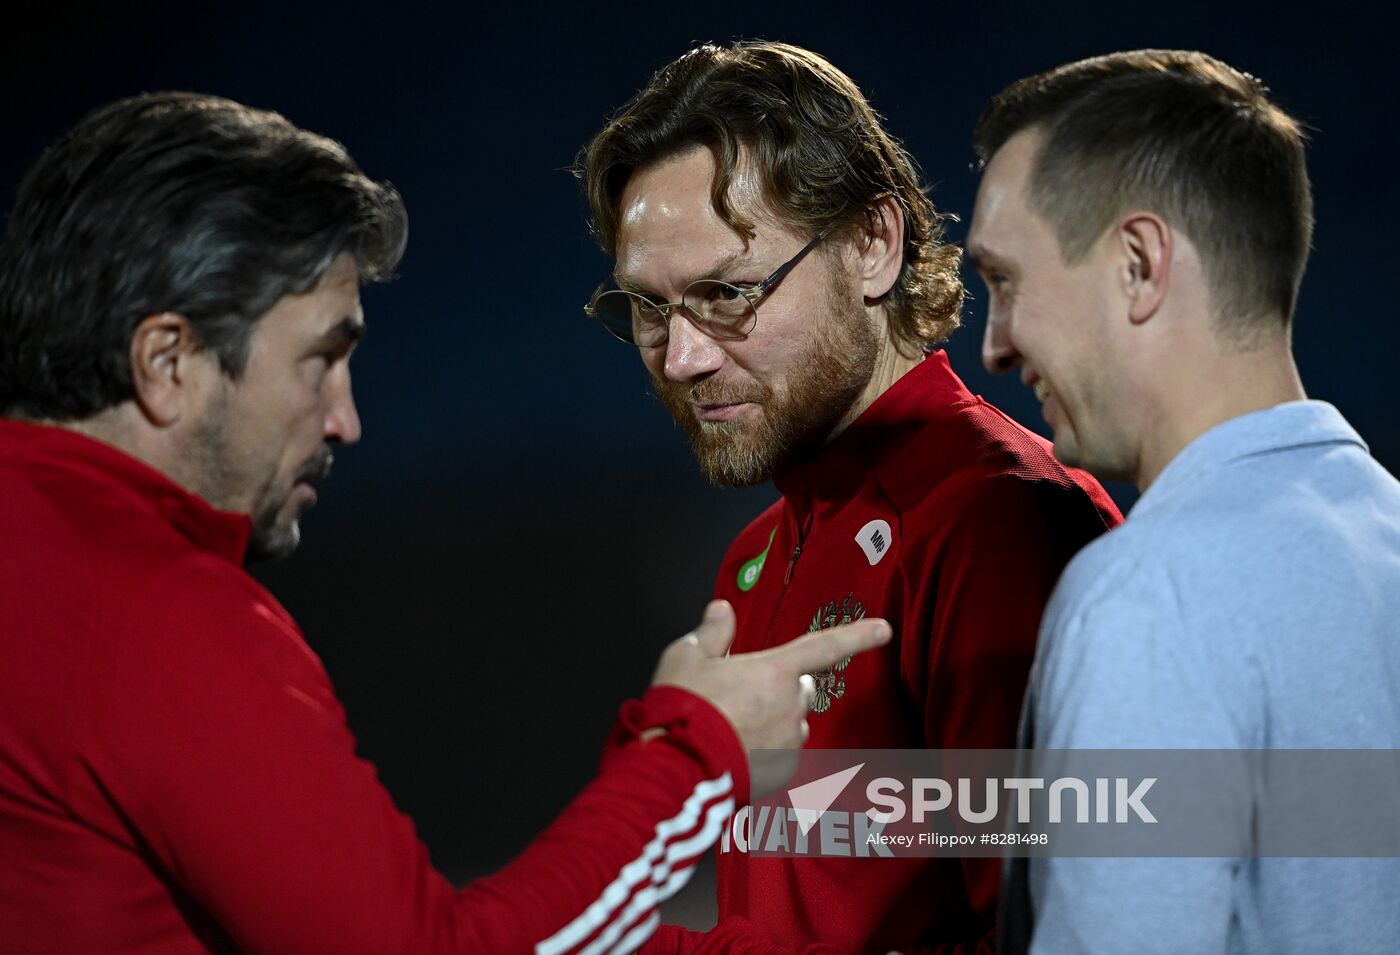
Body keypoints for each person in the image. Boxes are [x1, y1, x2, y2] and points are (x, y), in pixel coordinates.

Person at [0, 91, 893, 955]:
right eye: (322, 357)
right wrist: (698, 757)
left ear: (874, 246)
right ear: (167, 361)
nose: (346, 418)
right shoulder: (151, 614)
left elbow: (1026, 830)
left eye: (728, 291)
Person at [577, 41, 1121, 954]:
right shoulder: (753, 558)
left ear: (874, 244)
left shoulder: (997, 526)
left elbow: (1065, 937)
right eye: (649, 307)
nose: (683, 357)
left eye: (726, 294)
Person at [968, 49, 1400, 953]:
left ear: (1138, 263)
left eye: (1005, 281)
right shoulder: (1384, 532)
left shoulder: (1149, 598)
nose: (995, 345)